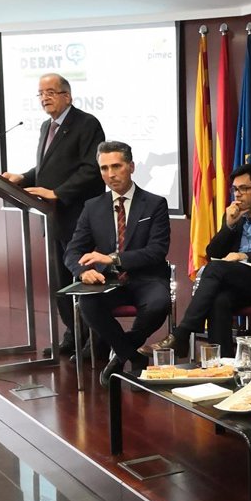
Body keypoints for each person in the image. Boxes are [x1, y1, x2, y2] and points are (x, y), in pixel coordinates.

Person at [3, 73, 106, 354]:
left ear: (67, 96)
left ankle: (96, 340)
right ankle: (74, 334)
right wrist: (23, 178)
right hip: (54, 218)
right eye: (40, 93)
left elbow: (91, 169)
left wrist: (58, 192)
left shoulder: (87, 124)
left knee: (82, 278)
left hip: (79, 217)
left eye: (50, 92)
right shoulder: (46, 127)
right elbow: (48, 169)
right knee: (61, 282)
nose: (44, 98)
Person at [153, 164, 251, 355]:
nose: (237, 194)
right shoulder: (234, 214)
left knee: (215, 269)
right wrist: (229, 226)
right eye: (235, 189)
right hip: (238, 280)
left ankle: (182, 333)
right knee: (219, 300)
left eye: (244, 188)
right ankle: (223, 362)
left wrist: (245, 255)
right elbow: (212, 252)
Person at [64, 141, 171, 387]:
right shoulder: (92, 207)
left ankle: (120, 353)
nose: (110, 174)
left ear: (131, 167)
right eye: (104, 168)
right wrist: (83, 272)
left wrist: (113, 258)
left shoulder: (155, 203)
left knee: (159, 303)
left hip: (147, 278)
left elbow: (157, 251)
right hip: (109, 281)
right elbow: (73, 250)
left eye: (116, 166)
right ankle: (133, 356)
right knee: (88, 303)